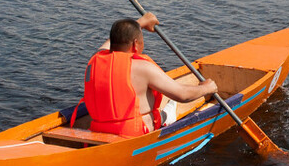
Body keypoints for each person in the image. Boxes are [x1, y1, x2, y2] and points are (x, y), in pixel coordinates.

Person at [77, 12, 218, 136]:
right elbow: (183, 94)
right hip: (133, 134)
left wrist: (141, 22)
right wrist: (207, 88)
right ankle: (168, 116)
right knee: (170, 107)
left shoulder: (95, 60)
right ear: (135, 44)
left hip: (98, 128)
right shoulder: (142, 68)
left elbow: (110, 42)